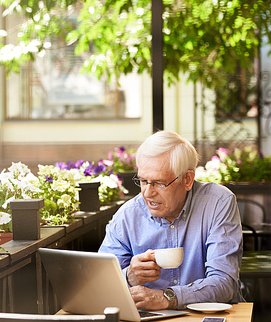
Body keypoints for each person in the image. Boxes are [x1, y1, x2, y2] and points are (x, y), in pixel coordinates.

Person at [99, 131, 243, 310]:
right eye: (143, 181)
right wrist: (128, 276)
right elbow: (99, 285)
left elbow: (224, 282)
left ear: (187, 179)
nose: (147, 193)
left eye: (159, 183)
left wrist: (167, 298)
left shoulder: (217, 203)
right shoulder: (127, 216)